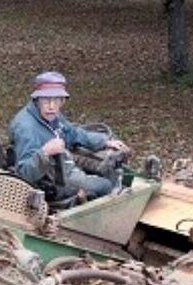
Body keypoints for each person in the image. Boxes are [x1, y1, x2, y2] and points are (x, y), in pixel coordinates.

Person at [8, 71, 130, 201]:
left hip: (63, 163)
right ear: (37, 100)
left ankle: (112, 177)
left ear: (62, 101)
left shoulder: (50, 116)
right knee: (106, 185)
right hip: (53, 182)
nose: (51, 106)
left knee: (106, 167)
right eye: (46, 100)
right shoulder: (27, 128)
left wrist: (105, 142)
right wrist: (44, 152)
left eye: (57, 100)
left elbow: (73, 133)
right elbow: (24, 174)